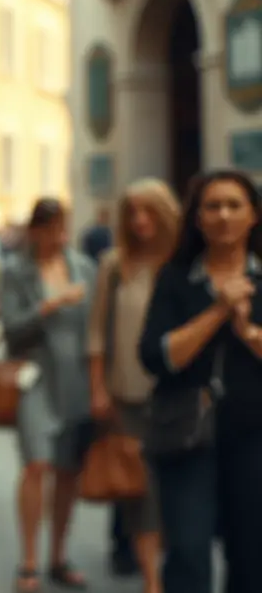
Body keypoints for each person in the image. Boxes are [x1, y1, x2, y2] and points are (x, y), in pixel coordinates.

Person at [138, 170, 262, 593]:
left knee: (251, 556)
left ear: (253, 216)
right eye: (213, 206)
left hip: (253, 435)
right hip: (187, 434)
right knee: (189, 552)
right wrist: (218, 312)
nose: (224, 215)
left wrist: (248, 332)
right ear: (197, 218)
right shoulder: (175, 279)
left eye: (234, 205)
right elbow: (156, 357)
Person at [87, 179, 180, 593]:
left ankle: (168, 561)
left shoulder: (182, 262)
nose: (140, 221)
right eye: (132, 213)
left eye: (148, 211)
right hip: (126, 390)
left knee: (173, 484)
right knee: (138, 486)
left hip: (176, 393)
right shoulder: (113, 264)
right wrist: (98, 388)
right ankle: (151, 580)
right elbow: (95, 332)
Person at [0, 198, 97, 593]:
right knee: (36, 465)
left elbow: (95, 328)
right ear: (35, 230)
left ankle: (58, 554)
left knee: (68, 470)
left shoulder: (84, 268)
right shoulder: (15, 272)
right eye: (51, 227)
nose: (59, 235)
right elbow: (11, 327)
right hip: (36, 377)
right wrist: (51, 304)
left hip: (76, 378)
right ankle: (28, 560)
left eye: (63, 226)